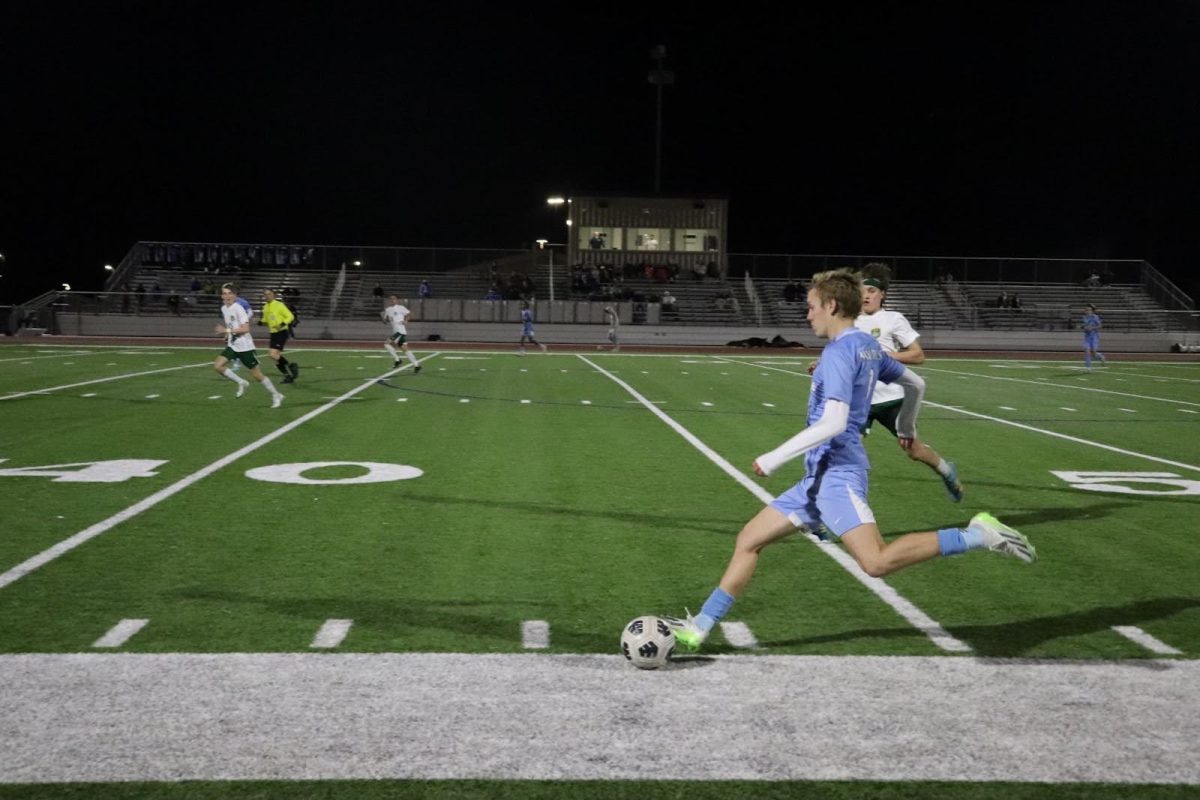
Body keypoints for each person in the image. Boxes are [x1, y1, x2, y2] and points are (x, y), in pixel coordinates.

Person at [666, 269, 1036, 652]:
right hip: (817, 479)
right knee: (748, 540)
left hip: (837, 476)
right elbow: (916, 384)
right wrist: (906, 426)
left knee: (875, 563)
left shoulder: (841, 351)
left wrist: (774, 457)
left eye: (811, 307)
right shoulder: (866, 345)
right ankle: (700, 627)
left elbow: (835, 421)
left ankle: (980, 534)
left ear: (831, 305)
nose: (807, 315)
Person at [853, 262, 963, 502]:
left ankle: (946, 470)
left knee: (914, 450)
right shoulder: (849, 320)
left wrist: (884, 357)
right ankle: (835, 503)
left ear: (882, 294)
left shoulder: (893, 319)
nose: (866, 295)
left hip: (892, 399)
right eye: (862, 290)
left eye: (871, 291)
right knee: (848, 448)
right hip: (860, 398)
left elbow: (918, 355)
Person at [212, 284, 284, 408]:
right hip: (233, 345)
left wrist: (226, 331)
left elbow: (245, 328)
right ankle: (241, 382)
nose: (227, 296)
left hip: (245, 346)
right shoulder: (224, 308)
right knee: (218, 366)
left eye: (229, 293)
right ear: (221, 296)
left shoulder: (238, 308)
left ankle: (276, 394)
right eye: (224, 293)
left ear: (235, 295)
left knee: (256, 375)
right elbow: (231, 325)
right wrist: (227, 335)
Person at [259, 288, 300, 384]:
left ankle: (290, 369)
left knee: (273, 354)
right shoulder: (265, 307)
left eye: (269, 294)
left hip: (281, 332)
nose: (267, 296)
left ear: (274, 295)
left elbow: (290, 316)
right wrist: (259, 322)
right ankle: (288, 374)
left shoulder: (279, 305)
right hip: (273, 333)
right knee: (274, 355)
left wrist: (281, 324)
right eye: (265, 294)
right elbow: (266, 321)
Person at [382, 294, 422, 373]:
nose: (392, 300)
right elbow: (385, 319)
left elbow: (409, 314)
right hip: (395, 331)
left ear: (397, 300)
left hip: (400, 331)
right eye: (391, 299)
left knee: (386, 343)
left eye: (394, 299)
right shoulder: (388, 309)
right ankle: (417, 365)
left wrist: (406, 320)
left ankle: (398, 360)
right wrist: (384, 320)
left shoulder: (401, 308)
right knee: (405, 349)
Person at [1082, 303, 1106, 370]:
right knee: (1087, 351)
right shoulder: (1084, 317)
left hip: (1094, 336)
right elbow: (1085, 327)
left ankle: (1101, 356)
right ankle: (1088, 367)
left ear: (1092, 311)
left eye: (1089, 310)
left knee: (1094, 354)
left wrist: (1092, 328)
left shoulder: (1095, 317)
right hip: (1087, 337)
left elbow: (1100, 326)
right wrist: (1085, 328)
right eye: (1086, 310)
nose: (1087, 311)